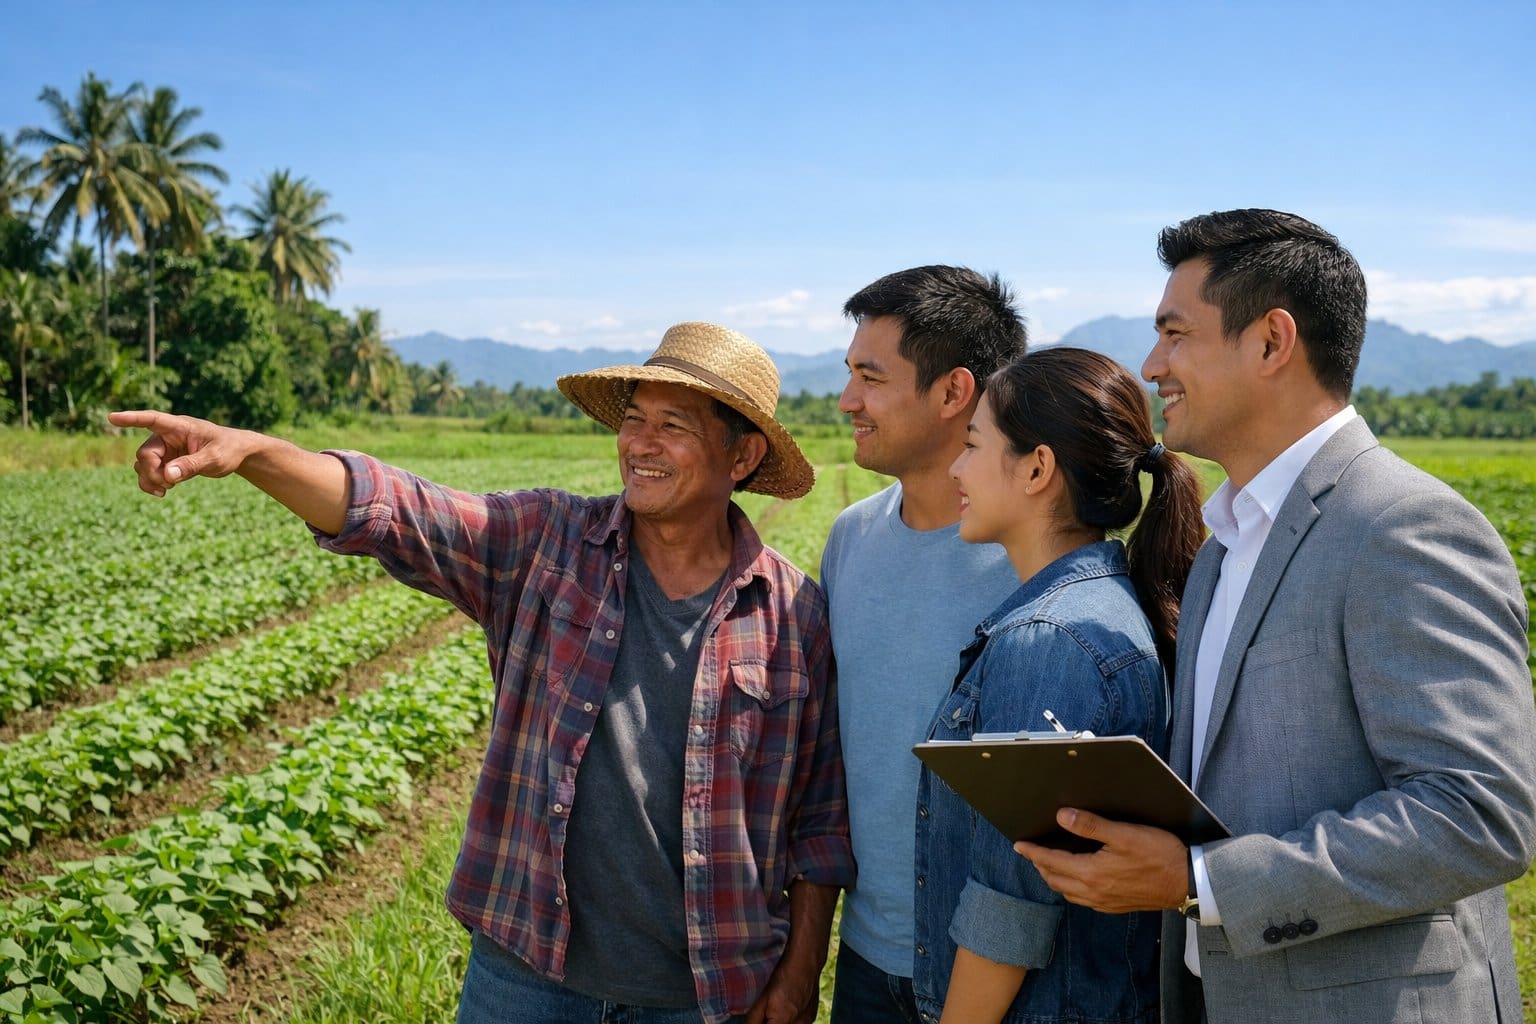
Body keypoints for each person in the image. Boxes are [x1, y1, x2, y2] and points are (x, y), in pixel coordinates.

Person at [109, 321, 855, 1024]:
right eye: (634, 419)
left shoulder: (794, 613)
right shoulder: (547, 545)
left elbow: (818, 818)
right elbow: (404, 511)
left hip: (704, 991)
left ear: (743, 456)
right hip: (528, 976)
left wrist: (798, 974)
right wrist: (255, 454)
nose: (640, 443)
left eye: (675, 426)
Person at [1013, 209, 1536, 1023]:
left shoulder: (1400, 527)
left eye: (1175, 334)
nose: (1153, 365)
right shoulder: (1226, 542)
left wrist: (1199, 881)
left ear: (1270, 343)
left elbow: (1479, 814)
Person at [914, 346, 1204, 1024]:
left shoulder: (1047, 639)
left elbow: (1008, 906)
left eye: (973, 445)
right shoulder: (1108, 603)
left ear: (1037, 468)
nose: (956, 468)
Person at [819, 265, 1027, 1022]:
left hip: (1002, 973)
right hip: (869, 960)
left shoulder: (1031, 559)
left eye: (871, 378)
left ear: (952, 393)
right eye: (849, 374)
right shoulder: (851, 539)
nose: (847, 401)